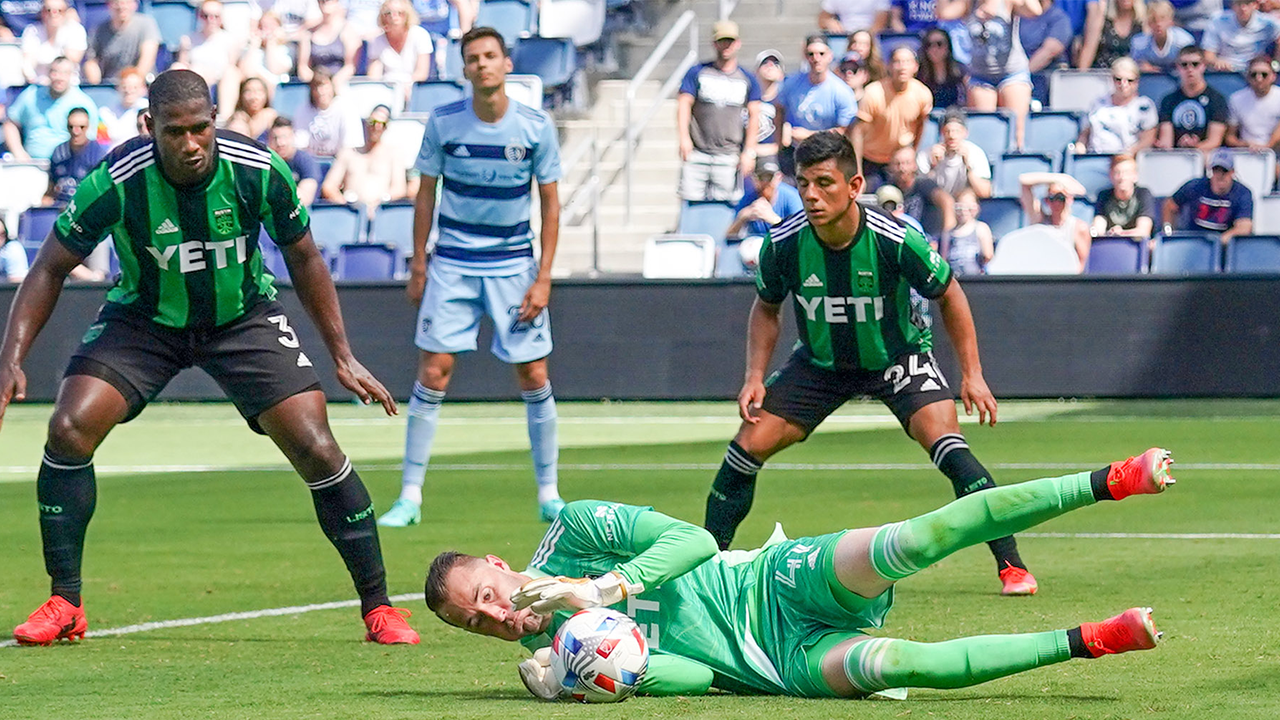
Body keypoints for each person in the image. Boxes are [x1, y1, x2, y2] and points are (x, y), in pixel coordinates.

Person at [0, 68, 419, 647]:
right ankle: (65, 601)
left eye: (201, 128)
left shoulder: (257, 170)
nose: (191, 143)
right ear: (150, 127)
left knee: (317, 446)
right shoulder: (117, 181)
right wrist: (10, 358)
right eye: (176, 132)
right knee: (68, 428)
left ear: (215, 121)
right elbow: (48, 266)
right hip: (144, 319)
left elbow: (304, 258)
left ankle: (380, 608)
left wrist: (342, 356)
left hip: (242, 319)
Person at [427, 450, 1175, 699]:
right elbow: (700, 679)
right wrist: (597, 679)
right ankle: (1094, 639)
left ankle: (1108, 480)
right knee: (907, 666)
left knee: (918, 537)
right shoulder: (561, 657)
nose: (495, 617)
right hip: (773, 664)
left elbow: (693, 537)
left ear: (497, 564)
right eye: (476, 623)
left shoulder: (579, 527)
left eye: (484, 597)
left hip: (772, 584)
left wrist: (601, 591)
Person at [699, 132, 1034, 596]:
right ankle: (708, 567)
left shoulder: (896, 239)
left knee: (950, 449)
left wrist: (972, 375)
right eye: (804, 184)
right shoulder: (785, 242)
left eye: (824, 183)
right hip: (820, 364)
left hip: (898, 358)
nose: (813, 196)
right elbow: (767, 307)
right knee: (745, 447)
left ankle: (1012, 566)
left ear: (855, 185)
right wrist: (754, 376)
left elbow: (950, 294)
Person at [378, 27, 565, 529]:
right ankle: (410, 497)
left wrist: (543, 277)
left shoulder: (534, 127)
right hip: (454, 265)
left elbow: (550, 205)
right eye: (473, 59)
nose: (482, 65)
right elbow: (425, 196)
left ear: (506, 64)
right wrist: (419, 262)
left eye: (490, 56)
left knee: (534, 374)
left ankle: (549, 494)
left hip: (512, 264)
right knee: (433, 371)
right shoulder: (443, 123)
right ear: (464, 69)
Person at [937, 0, 1041, 150]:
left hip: (1012, 72)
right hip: (980, 75)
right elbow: (943, 13)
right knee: (985, 131)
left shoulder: (1007, 2)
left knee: (1017, 133)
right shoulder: (968, 3)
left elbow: (1035, 10)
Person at [676, 20, 761, 203]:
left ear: (738, 43)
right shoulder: (698, 72)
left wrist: (749, 151)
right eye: (722, 41)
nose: (726, 46)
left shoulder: (747, 78)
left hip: (729, 155)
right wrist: (684, 138)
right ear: (714, 43)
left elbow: (755, 116)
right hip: (698, 152)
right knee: (690, 202)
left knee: (727, 206)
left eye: (730, 41)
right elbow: (684, 104)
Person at [774, 35, 857, 175]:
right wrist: (780, 141)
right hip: (795, 152)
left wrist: (809, 135)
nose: (816, 58)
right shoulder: (791, 83)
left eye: (821, 54)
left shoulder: (841, 91)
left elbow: (844, 130)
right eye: (811, 54)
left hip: (827, 154)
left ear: (830, 56)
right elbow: (779, 109)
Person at [852, 46, 933, 188]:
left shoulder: (922, 93)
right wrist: (857, 171)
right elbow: (858, 132)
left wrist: (912, 151)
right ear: (888, 66)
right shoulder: (873, 93)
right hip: (872, 159)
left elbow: (921, 125)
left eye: (907, 62)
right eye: (897, 62)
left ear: (915, 67)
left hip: (902, 162)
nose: (902, 67)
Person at [3, 56, 97, 162]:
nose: (59, 78)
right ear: (48, 73)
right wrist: (19, 153)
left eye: (64, 73)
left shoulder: (84, 103)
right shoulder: (31, 96)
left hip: (65, 166)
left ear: (71, 75)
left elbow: (89, 140)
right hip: (32, 163)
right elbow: (10, 124)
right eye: (55, 72)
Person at [320, 104, 408, 210]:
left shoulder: (393, 154)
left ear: (386, 127)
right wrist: (344, 205)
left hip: (380, 212)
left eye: (382, 124)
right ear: (365, 124)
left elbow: (399, 188)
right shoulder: (348, 153)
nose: (376, 128)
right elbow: (329, 186)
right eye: (372, 123)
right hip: (351, 213)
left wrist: (382, 201)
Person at [1163, 148, 1253, 245]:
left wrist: (1217, 243)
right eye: (1216, 170)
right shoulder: (1195, 186)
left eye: (1224, 171)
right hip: (1192, 241)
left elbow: (1244, 228)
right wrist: (1168, 231)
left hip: (1224, 246)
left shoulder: (1243, 193)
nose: (1220, 175)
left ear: (1232, 172)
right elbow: (1170, 205)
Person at [1077, 57, 1158, 155]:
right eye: (1118, 79)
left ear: (1137, 82)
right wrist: (1080, 148)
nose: (1124, 84)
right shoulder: (1098, 103)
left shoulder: (1144, 106)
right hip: (1095, 156)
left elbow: (1147, 140)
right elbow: (1085, 134)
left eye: (1130, 80)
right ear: (1112, 79)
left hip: (1127, 160)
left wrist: (1127, 154)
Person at [177, 0, 242, 119]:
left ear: (221, 18)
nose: (210, 20)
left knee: (232, 73)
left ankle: (225, 118)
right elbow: (182, 64)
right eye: (205, 16)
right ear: (199, 16)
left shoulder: (230, 40)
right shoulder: (188, 39)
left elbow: (231, 65)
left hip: (221, 78)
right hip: (195, 77)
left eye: (215, 16)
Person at [1156, 45, 1227, 151]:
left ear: (1203, 66)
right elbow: (1166, 140)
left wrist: (1194, 148)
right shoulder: (1168, 100)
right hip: (1176, 154)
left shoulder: (1216, 99)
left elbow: (1214, 141)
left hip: (1206, 155)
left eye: (1195, 64)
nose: (1189, 69)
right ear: (1177, 67)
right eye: (1184, 65)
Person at [1019, 171, 1092, 271]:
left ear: (1069, 199)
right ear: (1047, 201)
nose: (1056, 203)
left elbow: (1080, 266)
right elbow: (1023, 181)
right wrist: (1058, 178)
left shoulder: (1078, 228)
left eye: (1060, 198)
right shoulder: (1040, 221)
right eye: (1052, 198)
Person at [365, 0, 433, 106]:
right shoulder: (377, 41)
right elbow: (374, 75)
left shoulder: (420, 35)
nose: (394, 16)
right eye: (388, 13)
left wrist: (404, 88)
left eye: (399, 12)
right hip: (386, 91)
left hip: (411, 88)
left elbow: (421, 73)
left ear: (407, 15)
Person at [725, 156, 804, 241]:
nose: (765, 182)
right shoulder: (749, 197)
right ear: (754, 178)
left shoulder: (791, 197)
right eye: (761, 177)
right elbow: (729, 236)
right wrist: (742, 217)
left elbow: (800, 235)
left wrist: (774, 220)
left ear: (779, 178)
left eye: (769, 177)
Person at [83, 0, 160, 85]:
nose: (121, 7)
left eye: (126, 3)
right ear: (109, 5)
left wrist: (135, 80)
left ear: (134, 5)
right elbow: (91, 61)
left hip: (140, 83)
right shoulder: (99, 30)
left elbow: (148, 58)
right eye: (116, 3)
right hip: (112, 83)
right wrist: (96, 85)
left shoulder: (146, 24)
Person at [922, 109, 993, 199]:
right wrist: (933, 166)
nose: (952, 136)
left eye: (957, 131)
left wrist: (968, 167)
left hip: (962, 200)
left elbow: (985, 192)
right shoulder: (928, 154)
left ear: (965, 133)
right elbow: (919, 190)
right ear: (942, 133)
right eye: (948, 131)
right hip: (935, 200)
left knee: (968, 198)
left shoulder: (975, 153)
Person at [42, 106, 105, 207]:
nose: (76, 131)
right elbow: (51, 187)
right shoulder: (58, 152)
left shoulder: (97, 154)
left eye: (81, 127)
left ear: (88, 126)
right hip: (60, 206)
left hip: (86, 206)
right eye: (71, 127)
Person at [293, 67, 363, 158]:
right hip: (311, 162)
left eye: (324, 86)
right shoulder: (303, 110)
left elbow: (350, 148)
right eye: (316, 87)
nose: (320, 92)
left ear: (332, 87)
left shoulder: (346, 109)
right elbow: (300, 146)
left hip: (339, 161)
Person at [889, 145, 953, 239]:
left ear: (915, 165)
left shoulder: (925, 185)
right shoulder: (888, 190)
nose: (902, 168)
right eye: (898, 164)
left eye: (907, 163)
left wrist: (946, 237)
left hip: (927, 240)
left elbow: (947, 201)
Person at [1202, 0, 1280, 74]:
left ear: (1255, 5)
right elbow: (1208, 55)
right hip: (1226, 71)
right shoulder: (1218, 20)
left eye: (1247, 3)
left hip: (1254, 71)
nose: (1243, 8)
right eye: (1239, 4)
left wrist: (1276, 63)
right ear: (1232, 5)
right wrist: (1216, 61)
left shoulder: (1268, 23)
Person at [20, 0, 86, 85]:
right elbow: (28, 62)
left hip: (68, 85)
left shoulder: (76, 30)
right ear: (42, 12)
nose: (53, 14)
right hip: (39, 84)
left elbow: (71, 60)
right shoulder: (32, 31)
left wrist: (57, 34)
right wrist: (32, 78)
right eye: (48, 10)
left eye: (59, 11)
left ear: (66, 12)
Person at [1092, 153, 1156, 240]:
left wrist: (1121, 233)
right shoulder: (1103, 196)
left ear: (1135, 176)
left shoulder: (1143, 194)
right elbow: (1098, 229)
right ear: (1111, 176)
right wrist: (1110, 233)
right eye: (1117, 173)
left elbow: (1144, 231)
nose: (1122, 177)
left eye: (1127, 173)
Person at [1226, 55, 1280, 154]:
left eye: (1264, 74)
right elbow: (1230, 137)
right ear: (1248, 77)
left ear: (1273, 76)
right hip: (1246, 152)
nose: (1259, 79)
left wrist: (1267, 146)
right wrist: (1244, 145)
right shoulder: (1236, 99)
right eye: (1254, 74)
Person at [297, 0, 358, 85]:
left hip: (340, 84)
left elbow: (350, 66)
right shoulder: (308, 33)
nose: (325, 2)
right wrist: (317, 82)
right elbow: (303, 67)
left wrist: (334, 82)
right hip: (316, 85)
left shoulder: (347, 30)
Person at [268, 116, 323, 205]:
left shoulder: (305, 160)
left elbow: (306, 197)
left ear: (293, 136)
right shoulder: (267, 161)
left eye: (284, 137)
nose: (280, 143)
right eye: (275, 138)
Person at [1129, 0, 1192, 74]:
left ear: (1171, 21)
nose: (1158, 24)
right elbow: (1133, 67)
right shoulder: (1139, 44)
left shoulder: (1184, 41)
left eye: (1162, 19)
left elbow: (1190, 66)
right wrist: (1141, 67)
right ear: (1148, 23)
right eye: (1153, 20)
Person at [940, 188, 994, 274]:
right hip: (955, 278)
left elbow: (988, 256)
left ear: (976, 208)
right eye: (959, 208)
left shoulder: (981, 228)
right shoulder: (948, 233)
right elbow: (944, 259)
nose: (964, 212)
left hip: (975, 279)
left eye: (969, 208)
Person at [96, 65, 147, 149]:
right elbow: (102, 142)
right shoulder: (105, 113)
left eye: (134, 87)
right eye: (124, 87)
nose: (129, 91)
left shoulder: (148, 110)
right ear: (117, 88)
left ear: (143, 89)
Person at [917, 27, 966, 110]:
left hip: (954, 116)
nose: (934, 49)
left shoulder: (960, 70)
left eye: (939, 44)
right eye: (929, 45)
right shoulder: (919, 72)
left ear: (948, 47)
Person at [1019, 0, 1072, 72]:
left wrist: (1022, 74)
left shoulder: (1059, 18)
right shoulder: (1019, 16)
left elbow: (1050, 51)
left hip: (1043, 77)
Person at [225, 76, 279, 143]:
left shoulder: (271, 116)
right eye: (248, 91)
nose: (254, 97)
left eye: (259, 91)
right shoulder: (237, 118)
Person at [1092, 0, 1144, 69]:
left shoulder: (1143, 24)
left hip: (1130, 75)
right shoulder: (1103, 20)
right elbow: (1090, 47)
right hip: (1102, 74)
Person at [753, 49, 784, 159]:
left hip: (775, 158)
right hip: (749, 155)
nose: (770, 66)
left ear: (781, 74)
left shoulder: (784, 103)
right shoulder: (748, 101)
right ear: (756, 71)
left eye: (775, 64)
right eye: (764, 63)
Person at [818, 0, 889, 35]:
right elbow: (822, 20)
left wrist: (863, 38)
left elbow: (880, 23)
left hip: (872, 37)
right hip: (844, 36)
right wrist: (829, 22)